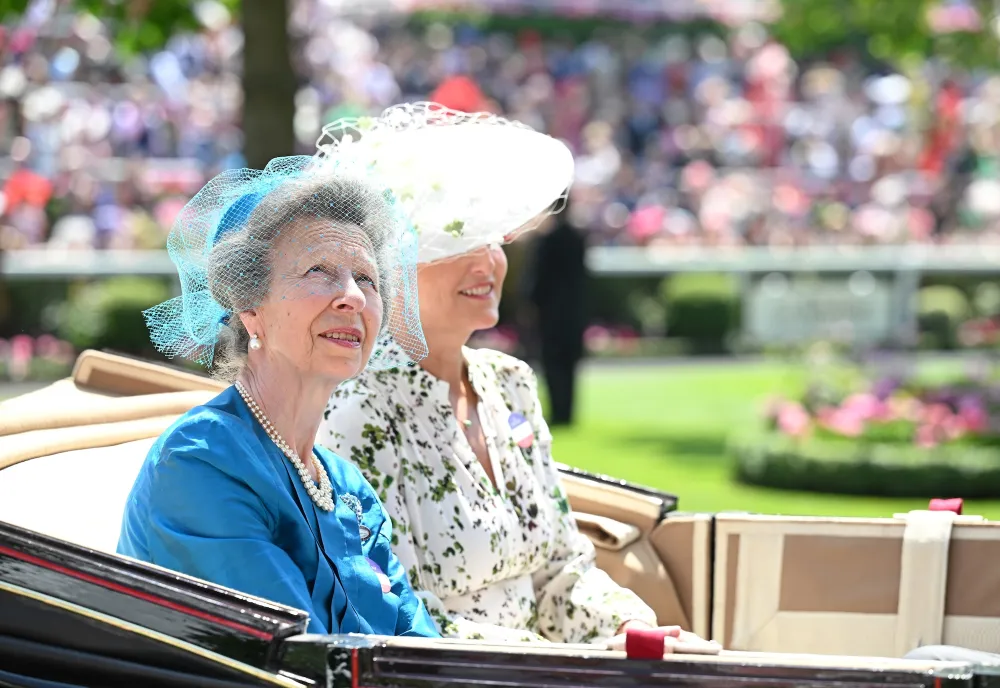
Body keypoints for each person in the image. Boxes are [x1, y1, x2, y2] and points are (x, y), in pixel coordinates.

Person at [316, 105, 691, 647]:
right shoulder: (358, 409)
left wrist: (634, 634)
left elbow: (562, 572)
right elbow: (402, 617)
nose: (488, 262)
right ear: (390, 263)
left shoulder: (508, 381)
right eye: (458, 241)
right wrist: (580, 664)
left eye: (494, 238)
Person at [117, 155, 439, 637]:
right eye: (318, 271)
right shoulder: (202, 461)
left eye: (367, 279)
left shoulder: (347, 488)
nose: (351, 295)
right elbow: (299, 659)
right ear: (249, 309)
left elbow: (423, 648)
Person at [523, 193, 588, 426]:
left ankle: (558, 411)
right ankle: (567, 412)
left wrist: (530, 303)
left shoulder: (546, 240)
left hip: (551, 312)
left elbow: (538, 280)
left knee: (553, 363)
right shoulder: (579, 237)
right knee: (570, 364)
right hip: (574, 311)